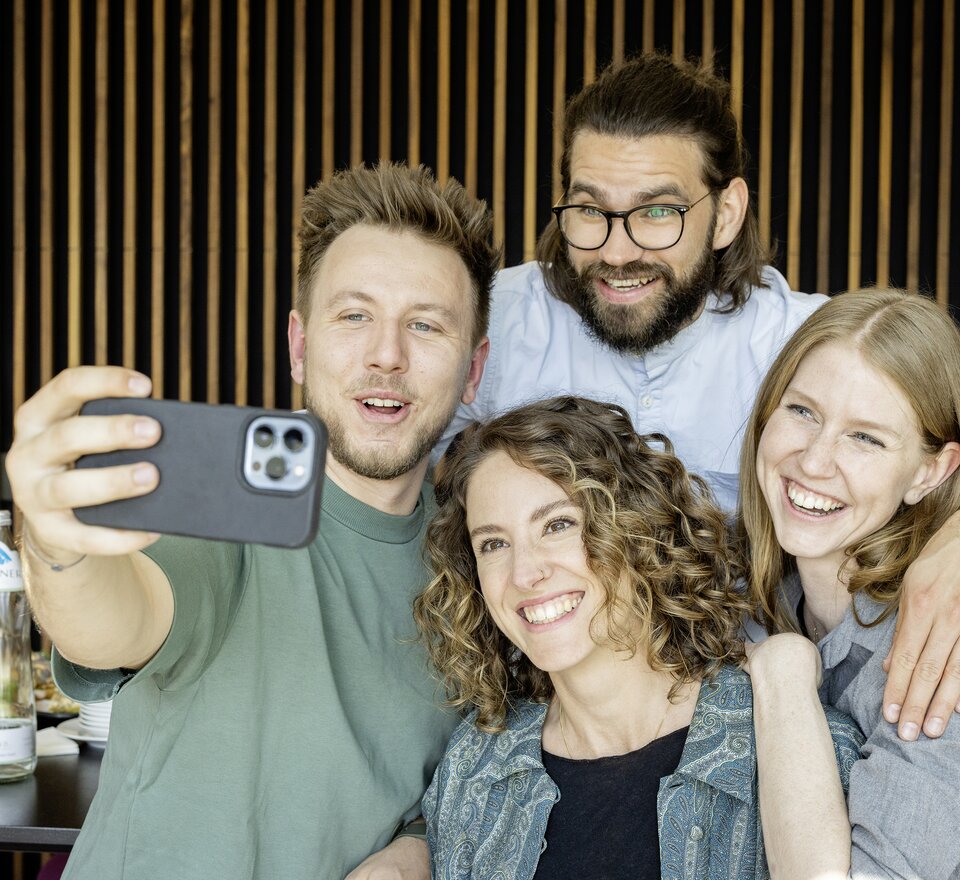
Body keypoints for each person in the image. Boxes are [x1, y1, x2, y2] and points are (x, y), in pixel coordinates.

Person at [437, 51, 960, 743]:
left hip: (749, 724)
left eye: (657, 211)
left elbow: (934, 432)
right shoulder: (489, 323)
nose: (617, 251)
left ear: (726, 214)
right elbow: (358, 435)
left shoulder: (807, 345)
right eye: (590, 210)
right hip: (529, 721)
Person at [5, 163, 500, 880]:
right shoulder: (224, 509)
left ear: (474, 370)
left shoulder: (481, 560)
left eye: (425, 325)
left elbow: (457, 767)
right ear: (300, 345)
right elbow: (118, 622)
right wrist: (55, 545)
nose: (386, 355)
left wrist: (418, 846)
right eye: (354, 316)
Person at [415, 395, 864, 879]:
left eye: (559, 525)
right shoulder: (475, 773)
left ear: (638, 531)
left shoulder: (791, 737)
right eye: (494, 544)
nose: (525, 573)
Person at [739, 288, 960, 878]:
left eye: (865, 437)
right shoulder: (740, 594)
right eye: (802, 411)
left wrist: (782, 676)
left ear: (930, 472)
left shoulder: (936, 659)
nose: (813, 461)